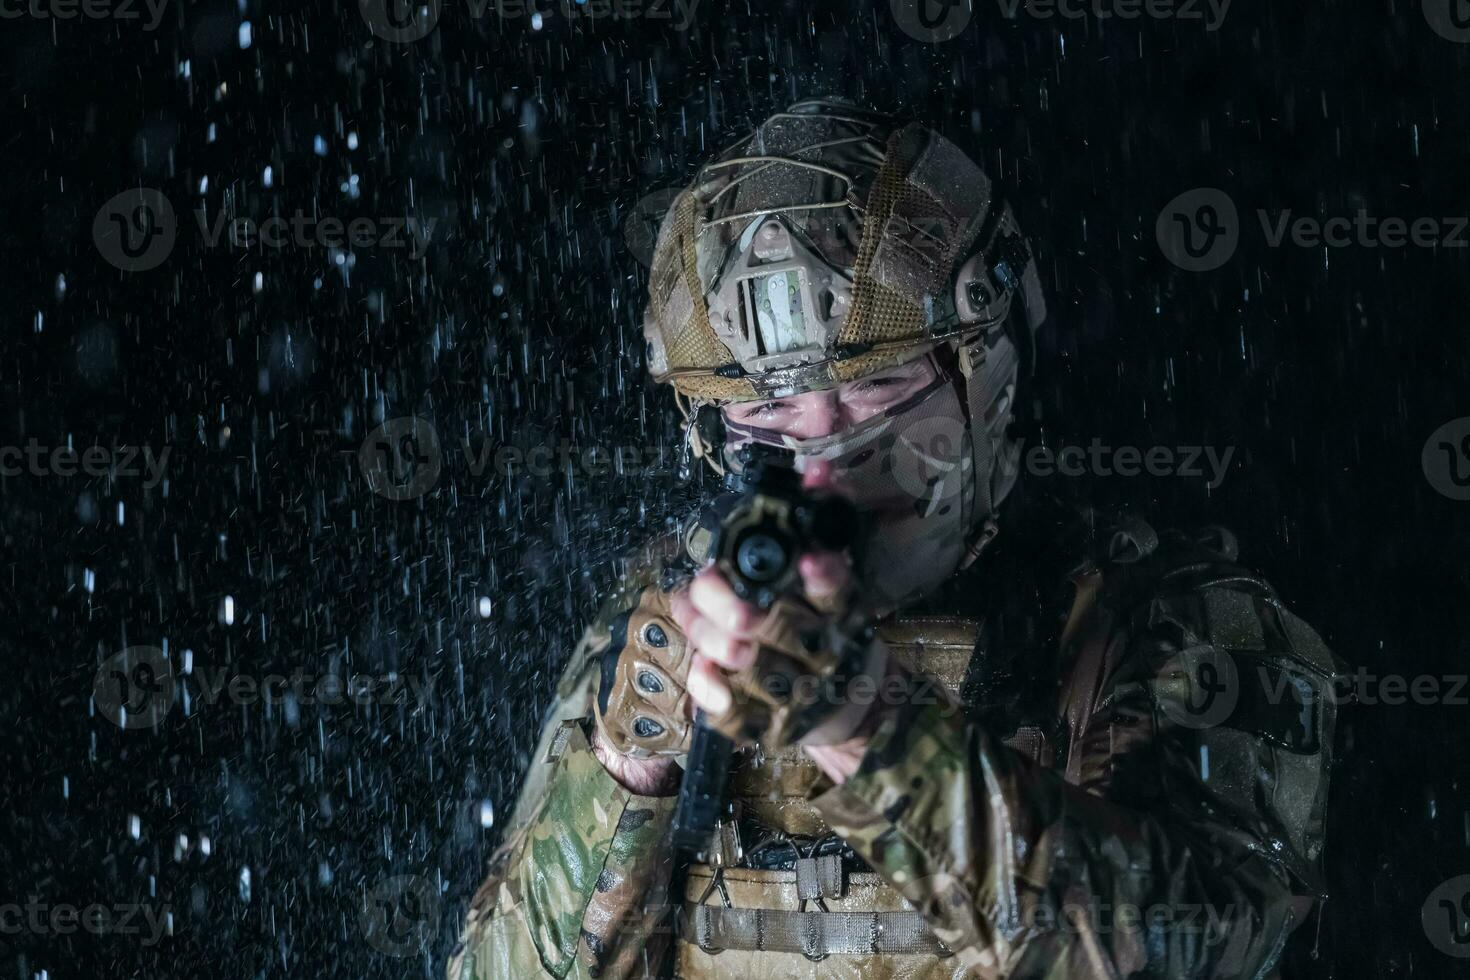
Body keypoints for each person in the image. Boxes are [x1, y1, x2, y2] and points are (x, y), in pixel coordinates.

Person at [447, 98, 1339, 980]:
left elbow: (1177, 953)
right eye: (769, 409)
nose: (826, 462)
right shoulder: (663, 633)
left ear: (983, 374)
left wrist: (864, 722)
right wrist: (628, 777)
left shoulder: (1169, 625)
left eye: (878, 390)